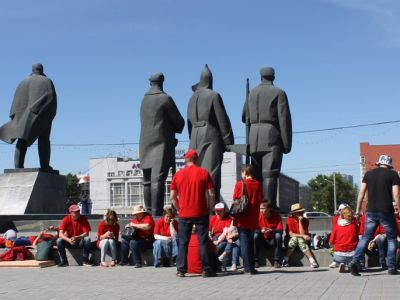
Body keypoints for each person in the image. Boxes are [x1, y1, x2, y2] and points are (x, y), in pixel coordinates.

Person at [242, 67, 292, 208]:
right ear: (273, 77)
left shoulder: (251, 93)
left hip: (254, 137)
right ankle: (268, 206)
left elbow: (243, 116)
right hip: (271, 135)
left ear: (261, 77)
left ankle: (256, 205)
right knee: (270, 173)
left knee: (256, 175)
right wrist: (287, 144)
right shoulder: (279, 93)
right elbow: (284, 120)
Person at [139, 72, 185, 216]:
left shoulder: (144, 100)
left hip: (144, 143)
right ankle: (156, 214)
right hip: (161, 144)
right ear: (162, 82)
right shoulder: (165, 99)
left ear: (150, 83)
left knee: (147, 180)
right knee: (157, 179)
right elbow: (180, 124)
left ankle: (149, 211)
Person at [187, 64, 234, 202]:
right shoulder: (213, 95)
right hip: (210, 135)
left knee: (195, 176)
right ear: (210, 80)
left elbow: (189, 122)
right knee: (211, 175)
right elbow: (222, 120)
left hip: (194, 137)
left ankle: (197, 204)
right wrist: (228, 140)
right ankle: (211, 210)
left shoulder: (191, 98)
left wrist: (192, 138)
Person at [350, 155, 400, 276]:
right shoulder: (393, 174)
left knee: (366, 237)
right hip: (386, 211)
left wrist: (357, 210)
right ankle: (391, 267)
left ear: (378, 163)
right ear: (389, 164)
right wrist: (398, 209)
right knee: (392, 238)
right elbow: (396, 193)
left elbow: (361, 193)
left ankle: (354, 262)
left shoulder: (368, 174)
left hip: (371, 211)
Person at [0, 63, 57, 170]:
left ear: (33, 70)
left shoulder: (22, 82)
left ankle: (18, 167)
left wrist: (16, 118)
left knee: (21, 139)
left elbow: (15, 102)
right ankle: (45, 166)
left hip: (22, 116)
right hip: (41, 114)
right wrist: (47, 114)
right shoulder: (47, 81)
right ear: (42, 70)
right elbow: (51, 98)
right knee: (44, 139)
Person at [170, 149, 216, 277]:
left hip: (184, 214)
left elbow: (172, 196)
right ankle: (206, 269)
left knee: (183, 242)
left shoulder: (178, 175)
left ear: (186, 159)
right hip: (201, 212)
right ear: (197, 159)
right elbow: (211, 193)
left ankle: (181, 270)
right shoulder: (204, 173)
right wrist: (211, 207)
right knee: (203, 241)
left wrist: (179, 209)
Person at [232, 165, 263, 274]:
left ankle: (247, 268)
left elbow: (235, 198)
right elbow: (261, 199)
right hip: (253, 217)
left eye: (242, 173)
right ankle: (252, 267)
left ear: (245, 172)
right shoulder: (258, 184)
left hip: (242, 217)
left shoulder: (240, 184)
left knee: (244, 243)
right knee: (251, 242)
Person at [283, 203, 319, 268]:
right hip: (289, 241)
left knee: (300, 239)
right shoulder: (289, 219)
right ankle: (285, 260)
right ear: (293, 214)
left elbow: (302, 233)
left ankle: (312, 261)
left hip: (302, 241)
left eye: (301, 212)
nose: (300, 214)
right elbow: (291, 234)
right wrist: (302, 236)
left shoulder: (305, 220)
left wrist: (300, 221)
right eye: (298, 212)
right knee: (294, 239)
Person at [209, 203, 239, 271]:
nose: (218, 212)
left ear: (224, 210)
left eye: (220, 210)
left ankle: (225, 262)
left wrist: (218, 241)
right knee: (226, 245)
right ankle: (224, 262)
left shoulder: (229, 219)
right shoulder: (212, 218)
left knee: (227, 244)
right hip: (216, 237)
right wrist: (211, 238)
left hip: (226, 237)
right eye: (217, 210)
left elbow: (226, 233)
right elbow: (209, 231)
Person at [329, 207, 359, 272]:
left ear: (341, 215)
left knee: (332, 249)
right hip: (352, 254)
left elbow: (331, 242)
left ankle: (340, 263)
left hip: (338, 255)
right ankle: (348, 265)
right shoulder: (354, 226)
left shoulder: (336, 226)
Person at [255, 201, 283, 268]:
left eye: (263, 208)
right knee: (255, 235)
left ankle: (277, 261)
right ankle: (255, 261)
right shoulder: (258, 215)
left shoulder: (276, 215)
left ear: (269, 209)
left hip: (272, 240)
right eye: (260, 208)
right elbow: (254, 228)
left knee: (278, 235)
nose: (261, 210)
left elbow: (280, 230)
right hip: (262, 240)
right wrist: (261, 231)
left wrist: (271, 230)